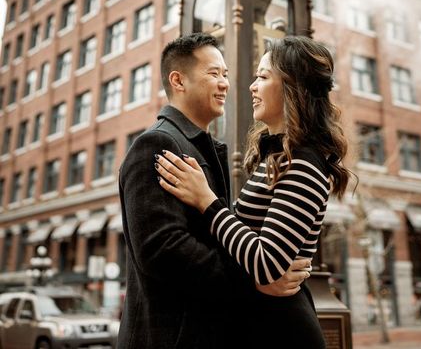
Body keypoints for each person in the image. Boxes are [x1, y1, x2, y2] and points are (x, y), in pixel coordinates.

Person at [156, 35, 353, 348]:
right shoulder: (277, 158)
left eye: (262, 77)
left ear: (292, 87)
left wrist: (207, 201)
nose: (250, 86)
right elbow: (255, 254)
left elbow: (266, 263)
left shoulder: (304, 161)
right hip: (261, 324)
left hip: (283, 331)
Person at [117, 32, 312, 349]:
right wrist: (255, 280)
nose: (225, 84)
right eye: (213, 74)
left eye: (225, 74)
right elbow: (162, 250)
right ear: (178, 81)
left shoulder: (209, 151)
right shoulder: (157, 144)